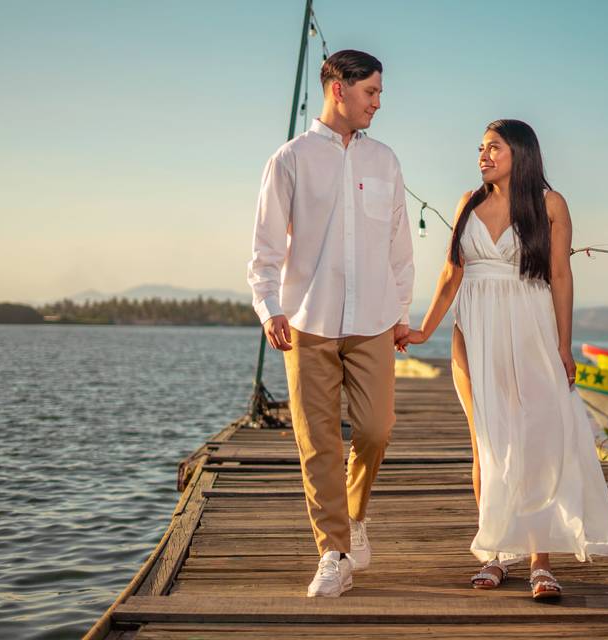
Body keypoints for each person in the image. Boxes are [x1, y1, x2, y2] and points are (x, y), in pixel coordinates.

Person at [408, 119, 608, 601]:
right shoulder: (469, 202)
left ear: (520, 153)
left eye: (494, 148)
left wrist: (565, 345)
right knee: (487, 442)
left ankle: (540, 561)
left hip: (532, 330)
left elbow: (561, 277)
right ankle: (496, 553)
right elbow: (450, 273)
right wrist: (424, 329)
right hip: (473, 331)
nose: (483, 155)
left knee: (534, 443)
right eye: (480, 148)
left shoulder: (549, 204)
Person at [247, 49, 414, 598]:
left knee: (375, 429)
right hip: (307, 321)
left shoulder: (385, 161)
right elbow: (266, 247)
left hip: (372, 319)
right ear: (338, 89)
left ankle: (354, 515)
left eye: (381, 93)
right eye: (371, 92)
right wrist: (269, 308)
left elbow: (398, 246)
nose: (378, 103)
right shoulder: (289, 159)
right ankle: (334, 552)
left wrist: (400, 311)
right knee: (318, 442)